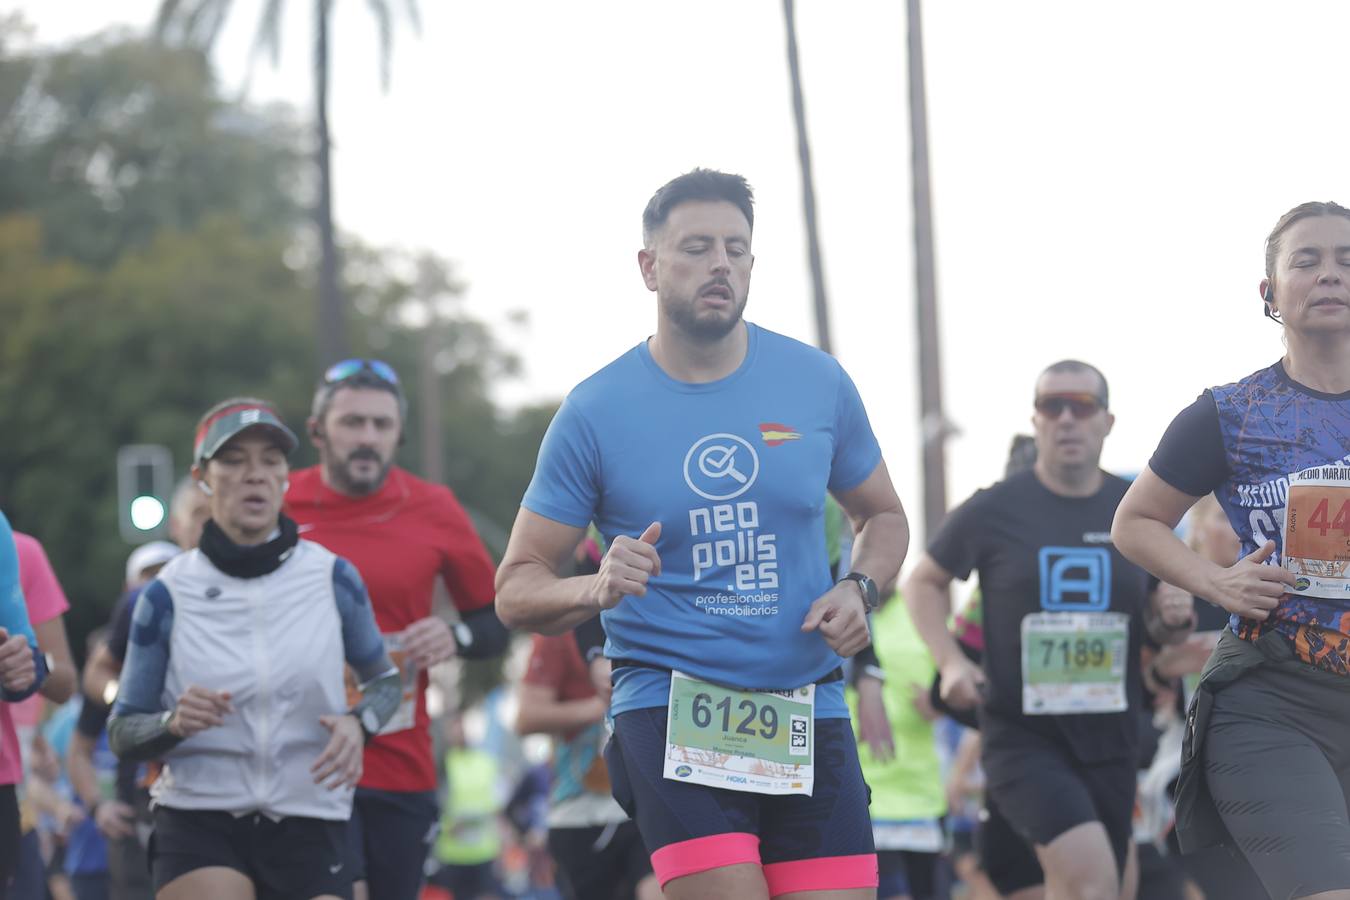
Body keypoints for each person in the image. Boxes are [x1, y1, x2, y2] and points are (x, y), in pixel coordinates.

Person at [495, 169, 910, 899]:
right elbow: (516, 584)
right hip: (669, 701)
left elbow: (883, 515)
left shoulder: (817, 383)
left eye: (737, 249)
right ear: (649, 267)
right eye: (696, 247)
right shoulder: (596, 411)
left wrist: (859, 585)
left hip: (804, 701)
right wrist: (596, 586)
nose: (721, 263)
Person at [1113, 200, 1350, 900]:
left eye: (1347, 260)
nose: (1330, 274)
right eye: (1306, 261)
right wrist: (1217, 583)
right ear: (1270, 291)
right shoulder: (1231, 413)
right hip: (1273, 700)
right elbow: (1137, 522)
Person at [905, 360, 1195, 900]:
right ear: (1035, 419)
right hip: (1023, 738)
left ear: (1106, 422)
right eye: (1051, 406)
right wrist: (949, 660)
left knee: (1106, 887)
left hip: (1112, 739)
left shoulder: (1134, 511)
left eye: (1081, 407)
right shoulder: (996, 507)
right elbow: (922, 582)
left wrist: (1172, 617)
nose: (1066, 418)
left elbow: (1162, 631)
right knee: (1091, 884)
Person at [108, 397, 401, 900]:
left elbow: (385, 682)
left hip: (311, 813)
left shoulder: (332, 577)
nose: (255, 475)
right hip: (200, 816)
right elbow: (122, 729)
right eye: (235, 460)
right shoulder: (165, 594)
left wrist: (361, 723)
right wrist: (171, 723)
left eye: (270, 460)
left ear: (286, 476)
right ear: (203, 476)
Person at [285, 359, 507, 900]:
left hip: (400, 764)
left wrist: (454, 637)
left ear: (399, 435)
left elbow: (496, 623)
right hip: (301, 757)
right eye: (352, 423)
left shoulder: (434, 508)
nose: (367, 438)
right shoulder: (280, 502)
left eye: (381, 426)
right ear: (318, 432)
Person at [515, 537, 659, 900]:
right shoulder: (560, 630)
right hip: (579, 809)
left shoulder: (658, 616)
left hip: (646, 801)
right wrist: (602, 707)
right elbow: (526, 717)